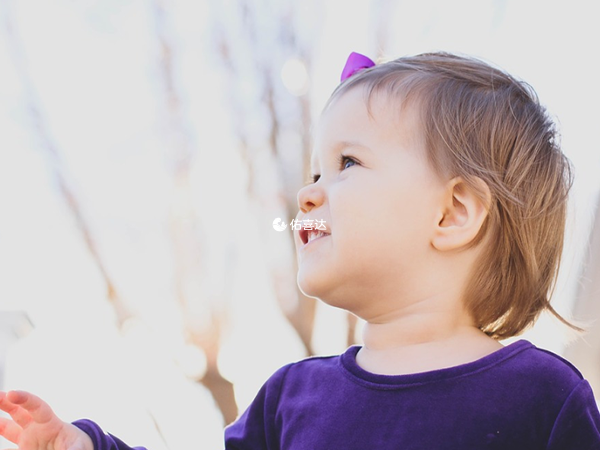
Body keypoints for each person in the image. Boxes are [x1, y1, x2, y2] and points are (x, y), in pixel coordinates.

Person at [1, 51, 600, 449]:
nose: (308, 192)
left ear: (452, 213)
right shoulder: (290, 400)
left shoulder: (543, 399)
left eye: (347, 163)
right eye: (315, 169)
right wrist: (80, 444)